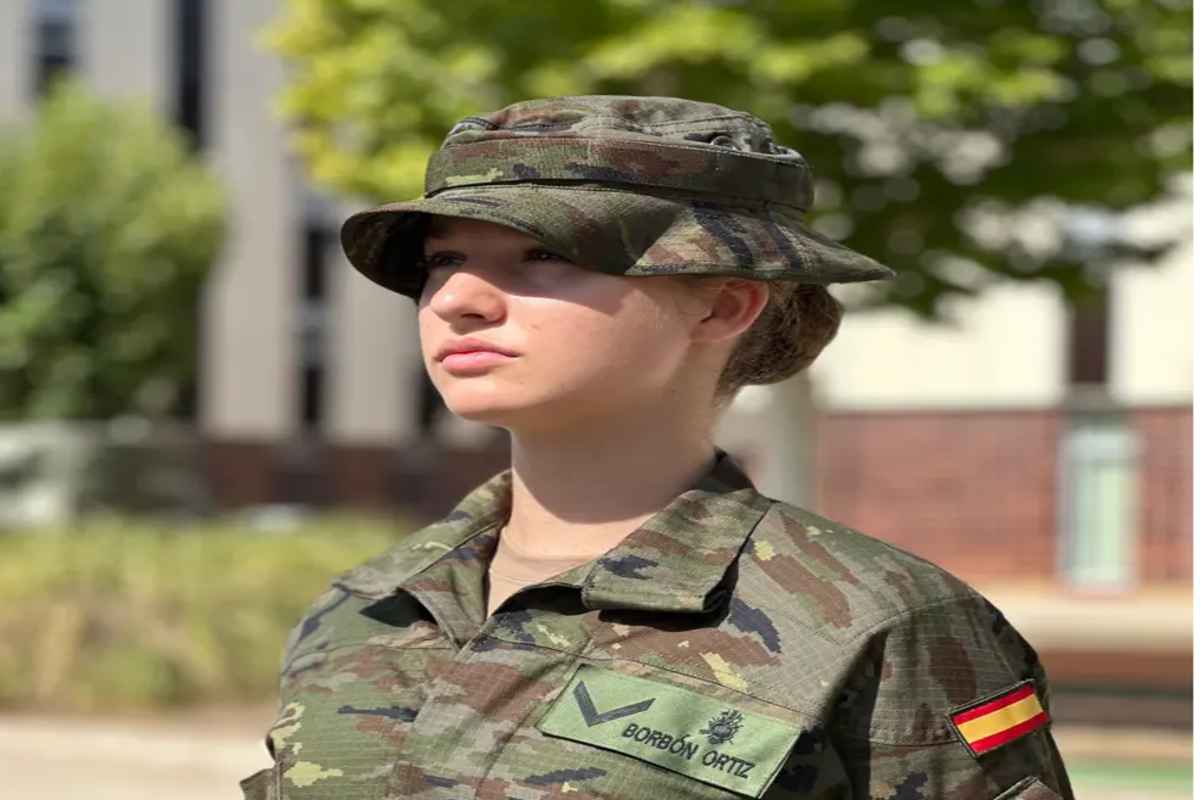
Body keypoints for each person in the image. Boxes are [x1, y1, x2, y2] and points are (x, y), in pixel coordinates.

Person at [240, 96, 1076, 800]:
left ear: (722, 306)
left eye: (543, 254)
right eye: (444, 260)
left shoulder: (883, 623)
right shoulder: (369, 605)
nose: (457, 299)